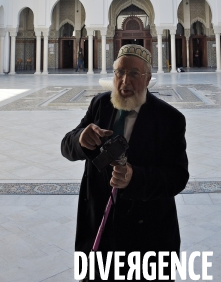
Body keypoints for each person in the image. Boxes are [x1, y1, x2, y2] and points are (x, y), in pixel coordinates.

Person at [61, 44, 189, 280]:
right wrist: (80, 139)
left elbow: (177, 177)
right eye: (119, 72)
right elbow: (66, 147)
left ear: (148, 78)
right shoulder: (100, 105)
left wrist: (135, 177)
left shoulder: (169, 119)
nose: (124, 82)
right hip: (99, 227)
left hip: (146, 236)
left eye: (133, 74)